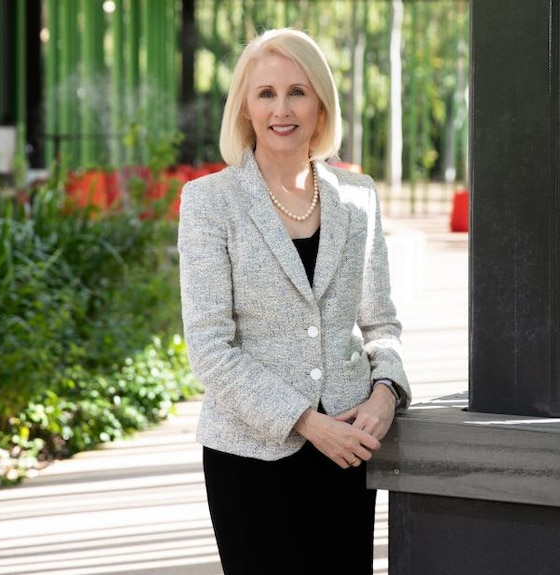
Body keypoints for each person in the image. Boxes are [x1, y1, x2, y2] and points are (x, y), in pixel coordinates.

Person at [177, 27, 410, 575]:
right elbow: (210, 348)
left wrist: (386, 392)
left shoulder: (359, 198)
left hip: (349, 447)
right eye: (266, 94)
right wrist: (306, 422)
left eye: (297, 91)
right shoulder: (210, 203)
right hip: (251, 455)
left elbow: (381, 323)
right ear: (246, 108)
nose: (282, 109)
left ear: (321, 103)